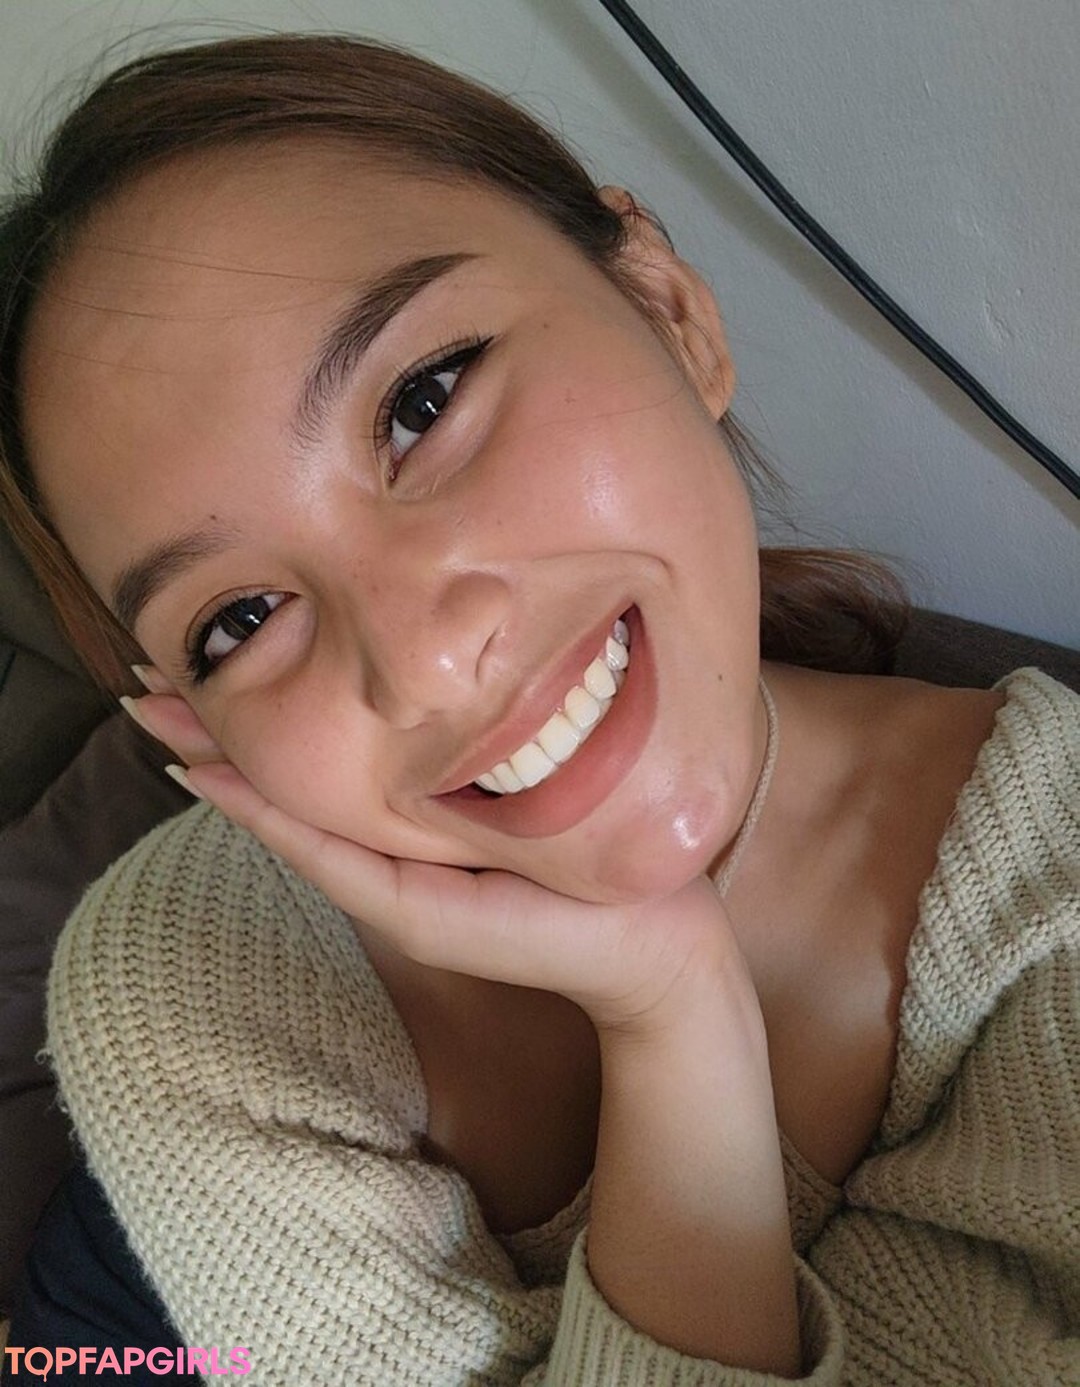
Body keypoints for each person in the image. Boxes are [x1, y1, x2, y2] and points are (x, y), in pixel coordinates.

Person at [0, 32, 1076, 1386]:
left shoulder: (1054, 888)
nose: (425, 664)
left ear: (667, 310)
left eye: (423, 401)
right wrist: (672, 1010)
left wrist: (669, 1013)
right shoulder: (182, 980)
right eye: (240, 619)